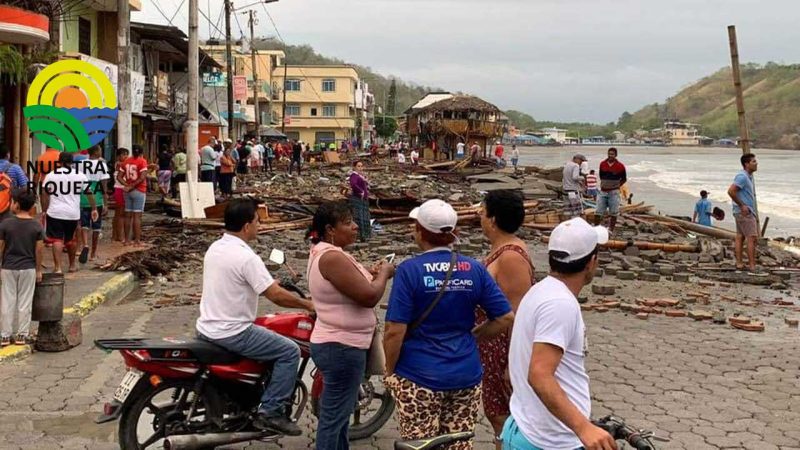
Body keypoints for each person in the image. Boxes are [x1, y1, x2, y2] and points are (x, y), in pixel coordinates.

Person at [383, 199, 515, 450]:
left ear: (420, 231)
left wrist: (390, 371)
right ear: (455, 232)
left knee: (419, 444)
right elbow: (505, 317)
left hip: (418, 377)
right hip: (466, 376)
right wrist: (473, 337)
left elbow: (394, 331)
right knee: (459, 444)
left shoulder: (409, 271)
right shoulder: (474, 268)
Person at [196, 198, 313, 436]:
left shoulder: (216, 248)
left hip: (206, 328)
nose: (260, 225)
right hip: (233, 332)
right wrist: (307, 304)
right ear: (247, 226)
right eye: (258, 221)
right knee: (289, 351)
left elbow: (238, 281)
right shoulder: (247, 257)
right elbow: (276, 296)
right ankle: (271, 412)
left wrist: (268, 282)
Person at [503, 217, 615, 450]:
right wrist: (584, 428)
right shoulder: (560, 304)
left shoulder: (540, 290)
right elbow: (539, 374)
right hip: (549, 442)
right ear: (591, 262)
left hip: (528, 426)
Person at [306, 201, 395, 449]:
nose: (356, 226)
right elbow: (369, 296)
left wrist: (372, 274)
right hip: (341, 347)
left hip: (339, 344)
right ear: (330, 230)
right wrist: (384, 274)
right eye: (348, 223)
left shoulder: (328, 252)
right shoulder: (332, 257)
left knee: (339, 417)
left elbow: (353, 283)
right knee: (334, 418)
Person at [477, 190, 535, 450]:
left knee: (504, 417)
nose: (479, 217)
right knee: (497, 414)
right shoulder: (501, 249)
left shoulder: (511, 256)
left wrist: (512, 365)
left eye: (482, 212)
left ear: (493, 219)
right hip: (492, 349)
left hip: (503, 350)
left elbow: (518, 312)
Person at [0, 189, 43, 346]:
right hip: (28, 267)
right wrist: (39, 270)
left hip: (8, 267)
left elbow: (1, 246)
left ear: (17, 205)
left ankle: (5, 335)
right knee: (25, 302)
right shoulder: (36, 226)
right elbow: (39, 250)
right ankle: (22, 335)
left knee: (7, 300)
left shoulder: (6, 224)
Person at [45, 152, 97, 273]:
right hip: (72, 213)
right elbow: (89, 192)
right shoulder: (80, 175)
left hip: (55, 212)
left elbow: (44, 193)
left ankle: (57, 268)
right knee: (71, 239)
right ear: (72, 162)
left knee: (57, 239)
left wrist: (44, 210)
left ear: (59, 162)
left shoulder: (51, 175)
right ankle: (72, 265)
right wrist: (94, 208)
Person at [728, 153, 759, 272]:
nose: (756, 163)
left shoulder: (748, 176)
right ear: (746, 164)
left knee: (740, 237)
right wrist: (742, 205)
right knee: (752, 237)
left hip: (741, 211)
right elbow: (731, 191)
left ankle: (740, 263)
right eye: (753, 161)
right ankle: (752, 266)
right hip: (744, 212)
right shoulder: (742, 177)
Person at [78, 146, 110, 263]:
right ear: (96, 152)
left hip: (83, 196)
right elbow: (104, 184)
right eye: (100, 150)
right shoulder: (102, 165)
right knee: (96, 226)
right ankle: (93, 253)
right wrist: (105, 202)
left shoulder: (81, 164)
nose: (101, 152)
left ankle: (85, 244)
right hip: (97, 198)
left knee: (84, 224)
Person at [118, 145, 148, 246]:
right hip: (139, 190)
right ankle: (137, 241)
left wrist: (127, 185)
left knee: (127, 216)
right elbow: (142, 177)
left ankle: (127, 240)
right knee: (137, 217)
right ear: (141, 152)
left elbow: (119, 177)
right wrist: (132, 186)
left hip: (127, 192)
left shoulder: (126, 161)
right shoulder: (142, 161)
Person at [594, 147, 626, 233]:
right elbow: (601, 176)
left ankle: (611, 230)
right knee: (598, 212)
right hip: (603, 191)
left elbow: (624, 179)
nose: (610, 155)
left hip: (614, 192)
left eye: (612, 154)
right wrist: (605, 184)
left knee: (614, 212)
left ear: (616, 155)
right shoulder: (602, 164)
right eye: (609, 154)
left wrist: (617, 186)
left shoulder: (621, 166)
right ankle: (596, 229)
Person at [348, 160, 371, 242]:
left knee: (364, 217)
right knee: (358, 217)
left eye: (361, 166)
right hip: (357, 198)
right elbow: (353, 184)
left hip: (363, 199)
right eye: (358, 166)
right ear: (354, 167)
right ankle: (359, 236)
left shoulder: (360, 176)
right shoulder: (353, 175)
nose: (360, 168)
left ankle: (365, 235)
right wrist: (361, 191)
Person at [112, 148, 129, 242]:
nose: (125, 156)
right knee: (121, 214)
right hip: (120, 189)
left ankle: (115, 235)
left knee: (118, 214)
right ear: (118, 156)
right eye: (123, 154)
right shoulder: (120, 164)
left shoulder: (121, 164)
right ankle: (120, 236)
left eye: (126, 154)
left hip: (120, 189)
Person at [562, 154, 586, 218]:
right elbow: (575, 177)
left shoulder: (567, 164)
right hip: (573, 191)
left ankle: (568, 223)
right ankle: (575, 223)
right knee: (576, 212)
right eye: (581, 161)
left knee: (567, 211)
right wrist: (582, 178)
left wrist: (579, 182)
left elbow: (568, 177)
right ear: (576, 159)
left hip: (565, 191)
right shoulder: (576, 165)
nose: (581, 163)